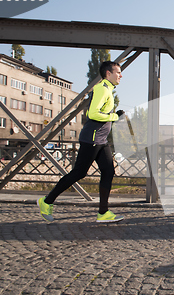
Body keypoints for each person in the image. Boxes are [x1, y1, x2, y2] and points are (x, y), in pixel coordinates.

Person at [37, 61, 125, 223]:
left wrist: (114, 115)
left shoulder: (107, 90)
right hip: (92, 138)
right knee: (79, 173)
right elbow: (93, 114)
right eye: (118, 72)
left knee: (109, 171)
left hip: (101, 139)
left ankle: (103, 213)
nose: (120, 75)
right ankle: (46, 201)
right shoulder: (102, 89)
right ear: (108, 73)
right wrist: (114, 117)